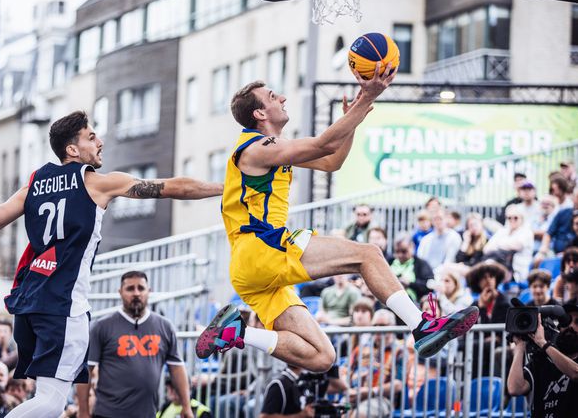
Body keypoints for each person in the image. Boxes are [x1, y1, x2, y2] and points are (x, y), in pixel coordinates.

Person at [0, 111, 221, 418]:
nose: (100, 141)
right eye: (91, 136)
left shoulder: (34, 183)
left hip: (29, 306)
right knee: (52, 403)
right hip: (64, 305)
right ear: (72, 149)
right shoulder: (97, 183)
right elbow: (171, 187)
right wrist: (225, 188)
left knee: (42, 398)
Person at [196, 75, 478, 374]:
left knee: (321, 357)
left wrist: (351, 121)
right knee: (367, 254)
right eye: (273, 96)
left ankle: (235, 332)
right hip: (262, 248)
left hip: (251, 266)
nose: (282, 98)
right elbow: (324, 143)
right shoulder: (258, 148)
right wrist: (368, 97)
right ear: (260, 113)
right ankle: (422, 326)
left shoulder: (271, 148)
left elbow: (332, 160)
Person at [77, 271, 192, 418]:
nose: (136, 293)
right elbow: (85, 372)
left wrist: (186, 406)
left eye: (141, 288)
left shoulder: (165, 326)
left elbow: (177, 368)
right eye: (130, 289)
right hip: (108, 414)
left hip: (148, 413)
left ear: (149, 291)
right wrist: (83, 412)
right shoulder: (101, 326)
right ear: (120, 292)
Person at [507, 300, 578, 417]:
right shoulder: (543, 359)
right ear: (559, 327)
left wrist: (542, 343)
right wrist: (520, 345)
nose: (571, 326)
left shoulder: (545, 348)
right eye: (567, 321)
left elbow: (575, 373)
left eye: (577, 322)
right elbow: (515, 388)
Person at [346, 310, 404, 418]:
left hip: (381, 398)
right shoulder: (361, 348)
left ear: (392, 326)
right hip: (354, 395)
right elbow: (346, 371)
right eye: (375, 325)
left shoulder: (399, 351)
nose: (377, 329)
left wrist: (371, 391)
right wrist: (348, 389)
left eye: (382, 325)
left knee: (360, 414)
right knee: (338, 411)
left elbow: (398, 384)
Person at [259, 364, 346, 418]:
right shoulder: (279, 384)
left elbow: (341, 387)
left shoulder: (307, 379)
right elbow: (264, 417)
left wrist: (328, 366)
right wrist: (300, 416)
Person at [483, 204, 534, 282]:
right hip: (496, 263)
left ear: (521, 218)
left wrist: (498, 245)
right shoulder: (502, 231)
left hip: (516, 270)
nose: (512, 220)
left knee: (492, 261)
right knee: (489, 262)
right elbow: (486, 249)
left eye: (515, 218)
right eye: (509, 218)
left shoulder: (526, 232)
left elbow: (517, 245)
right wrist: (505, 245)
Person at [535, 187, 578, 264]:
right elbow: (548, 233)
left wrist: (567, 254)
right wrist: (542, 251)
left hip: (573, 256)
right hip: (555, 253)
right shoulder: (563, 213)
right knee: (538, 260)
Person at [388, 233, 434, 304]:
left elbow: (429, 285)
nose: (400, 255)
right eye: (397, 251)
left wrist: (409, 283)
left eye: (404, 251)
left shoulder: (421, 264)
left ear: (412, 247)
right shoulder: (389, 261)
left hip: (414, 302)